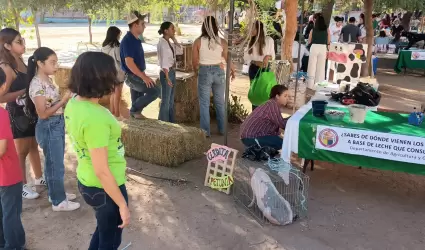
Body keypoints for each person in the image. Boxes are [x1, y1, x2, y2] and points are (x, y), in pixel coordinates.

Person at [65, 52, 130, 249]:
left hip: (87, 181)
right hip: (105, 187)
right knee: (110, 240)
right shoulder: (95, 117)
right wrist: (122, 204)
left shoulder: (74, 102)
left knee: (104, 231)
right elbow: (101, 169)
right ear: (101, 79)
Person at [26, 47, 80, 211]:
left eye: (56, 62)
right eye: (52, 62)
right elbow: (42, 114)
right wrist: (63, 101)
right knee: (55, 165)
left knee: (52, 164)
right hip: (49, 125)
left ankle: (55, 194)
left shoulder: (48, 80)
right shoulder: (37, 84)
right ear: (40, 63)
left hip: (55, 124)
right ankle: (59, 201)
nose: (56, 66)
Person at [0, 28, 45, 199]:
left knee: (33, 145)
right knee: (21, 150)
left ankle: (39, 178)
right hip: (17, 113)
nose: (23, 44)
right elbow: (1, 97)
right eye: (19, 42)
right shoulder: (6, 67)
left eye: (23, 40)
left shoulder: (21, 60)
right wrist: (22, 93)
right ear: (7, 45)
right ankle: (22, 184)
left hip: (29, 110)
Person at [192, 16, 235, 137]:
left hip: (204, 71)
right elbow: (228, 59)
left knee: (204, 103)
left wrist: (196, 73)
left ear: (203, 26)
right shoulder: (222, 41)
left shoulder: (198, 42)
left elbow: (194, 62)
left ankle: (205, 132)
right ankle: (222, 129)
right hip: (219, 71)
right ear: (216, 27)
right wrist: (233, 70)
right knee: (220, 102)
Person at [0, 86, 26, 250]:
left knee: (3, 212)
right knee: (11, 213)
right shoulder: (2, 114)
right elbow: (2, 148)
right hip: (8, 173)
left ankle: (4, 243)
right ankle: (14, 246)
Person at [120, 11, 159, 119]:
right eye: (142, 24)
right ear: (135, 25)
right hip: (132, 76)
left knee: (137, 104)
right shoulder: (128, 40)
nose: (145, 26)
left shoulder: (135, 40)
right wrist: (144, 77)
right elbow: (129, 63)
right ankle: (133, 110)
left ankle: (134, 117)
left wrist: (143, 74)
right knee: (155, 91)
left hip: (137, 74)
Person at [240, 85, 289, 150]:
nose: (287, 98)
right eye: (285, 96)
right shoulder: (272, 105)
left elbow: (279, 121)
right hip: (250, 138)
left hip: (248, 136)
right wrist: (293, 119)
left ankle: (258, 148)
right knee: (282, 143)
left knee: (280, 140)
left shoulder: (271, 103)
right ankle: (255, 149)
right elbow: (282, 124)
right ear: (277, 96)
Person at [244, 20, 275, 110]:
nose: (251, 30)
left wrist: (267, 57)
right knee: (255, 94)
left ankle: (264, 115)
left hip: (265, 70)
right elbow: (246, 57)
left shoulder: (269, 40)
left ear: (258, 30)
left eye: (253, 28)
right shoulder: (251, 41)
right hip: (253, 69)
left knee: (265, 93)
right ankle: (255, 116)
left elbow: (272, 56)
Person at [157, 21, 183, 123]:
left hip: (172, 71)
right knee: (166, 101)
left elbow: (180, 51)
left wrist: (174, 39)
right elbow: (164, 61)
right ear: (166, 31)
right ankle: (163, 123)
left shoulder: (169, 42)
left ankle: (171, 122)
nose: (174, 30)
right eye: (172, 28)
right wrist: (167, 77)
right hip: (166, 73)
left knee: (171, 100)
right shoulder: (162, 43)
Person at [102, 26, 125, 118]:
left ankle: (112, 112)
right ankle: (117, 114)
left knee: (112, 93)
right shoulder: (117, 47)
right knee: (117, 94)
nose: (119, 36)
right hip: (117, 73)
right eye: (119, 34)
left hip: (108, 73)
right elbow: (121, 59)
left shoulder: (104, 46)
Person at [307, 14, 330, 89]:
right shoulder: (327, 29)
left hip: (314, 47)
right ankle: (319, 85)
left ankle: (310, 85)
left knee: (311, 66)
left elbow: (309, 41)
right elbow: (329, 40)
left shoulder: (313, 29)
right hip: (323, 47)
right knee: (321, 67)